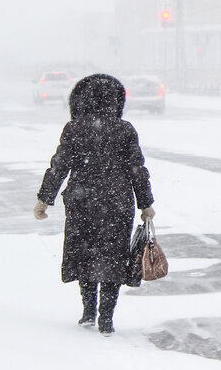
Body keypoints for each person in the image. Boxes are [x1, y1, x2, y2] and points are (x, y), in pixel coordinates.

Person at [34, 74, 155, 336]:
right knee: (113, 258)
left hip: (82, 201)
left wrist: (45, 198)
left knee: (85, 254)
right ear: (115, 101)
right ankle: (106, 319)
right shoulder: (125, 130)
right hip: (117, 202)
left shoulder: (74, 128)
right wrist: (145, 203)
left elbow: (60, 165)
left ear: (80, 101)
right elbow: (137, 169)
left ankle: (88, 311)